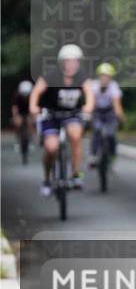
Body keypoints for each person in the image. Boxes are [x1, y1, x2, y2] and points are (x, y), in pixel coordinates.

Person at [28, 44, 95, 195]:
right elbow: (36, 91)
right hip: (50, 116)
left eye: (75, 61)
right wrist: (33, 107)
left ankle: (76, 175)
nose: (72, 65)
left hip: (72, 115)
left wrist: (88, 107)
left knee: (76, 135)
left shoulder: (82, 77)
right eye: (68, 61)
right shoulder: (52, 75)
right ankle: (46, 179)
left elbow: (89, 94)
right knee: (51, 148)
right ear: (62, 62)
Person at [88, 62, 126, 168]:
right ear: (99, 76)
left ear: (110, 77)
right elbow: (91, 102)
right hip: (97, 112)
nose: (104, 79)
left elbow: (116, 104)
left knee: (111, 135)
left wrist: (120, 115)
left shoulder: (114, 87)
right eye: (102, 76)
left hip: (110, 112)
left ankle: (113, 156)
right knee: (96, 130)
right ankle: (93, 155)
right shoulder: (94, 86)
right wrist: (88, 114)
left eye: (107, 76)